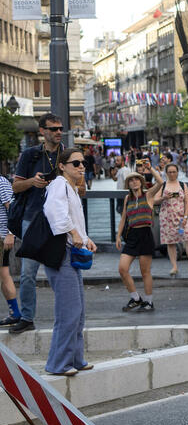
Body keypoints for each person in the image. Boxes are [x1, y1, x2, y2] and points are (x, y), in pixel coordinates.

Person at [41, 149, 97, 375]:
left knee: (78, 309)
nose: (81, 166)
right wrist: (75, 234)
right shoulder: (58, 185)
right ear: (62, 166)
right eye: (75, 163)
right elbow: (55, 214)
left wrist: (85, 238)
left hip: (69, 253)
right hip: (61, 254)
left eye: (83, 162)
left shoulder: (70, 187)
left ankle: (75, 358)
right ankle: (58, 363)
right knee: (69, 310)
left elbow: (71, 219)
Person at [9, 114, 65, 334]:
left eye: (60, 128)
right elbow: (15, 187)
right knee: (28, 273)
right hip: (32, 218)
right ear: (43, 131)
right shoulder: (30, 155)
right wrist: (33, 181)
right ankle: (27, 317)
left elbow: (81, 188)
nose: (58, 132)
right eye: (53, 129)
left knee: (61, 271)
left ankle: (65, 318)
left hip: (59, 219)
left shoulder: (68, 154)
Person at [116, 168, 164, 311]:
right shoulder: (127, 198)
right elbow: (124, 218)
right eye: (131, 180)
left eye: (137, 179)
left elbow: (160, 182)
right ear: (128, 184)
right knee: (122, 269)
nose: (134, 181)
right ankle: (136, 298)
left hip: (145, 234)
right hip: (132, 236)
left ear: (141, 182)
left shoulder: (148, 195)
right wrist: (118, 236)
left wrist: (149, 169)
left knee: (145, 272)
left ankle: (149, 302)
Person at [157, 163, 188, 276]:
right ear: (166, 173)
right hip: (167, 217)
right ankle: (174, 266)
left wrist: (186, 216)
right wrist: (164, 197)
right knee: (170, 242)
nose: (172, 174)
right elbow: (154, 200)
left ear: (178, 172)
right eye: (170, 172)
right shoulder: (162, 185)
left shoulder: (182, 185)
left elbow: (187, 201)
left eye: (174, 172)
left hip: (181, 217)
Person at [0, 174, 18, 325]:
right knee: (4, 274)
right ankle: (15, 313)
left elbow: (12, 208)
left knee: (4, 275)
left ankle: (15, 313)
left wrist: (10, 233)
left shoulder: (1, 182)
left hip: (1, 237)